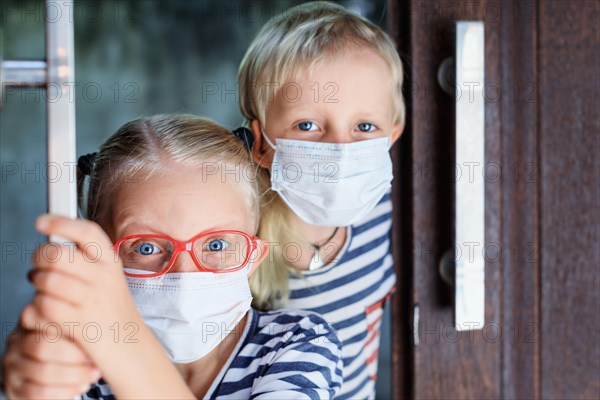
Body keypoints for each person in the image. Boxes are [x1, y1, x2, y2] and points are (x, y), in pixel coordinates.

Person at [2, 115, 343, 399]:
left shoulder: (298, 346)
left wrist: (125, 349)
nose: (184, 273)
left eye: (216, 245)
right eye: (147, 247)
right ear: (97, 258)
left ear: (254, 256)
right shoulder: (78, 370)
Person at [236, 2, 405, 398]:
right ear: (261, 143)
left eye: (365, 126)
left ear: (391, 137)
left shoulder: (379, 211)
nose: (341, 149)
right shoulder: (239, 243)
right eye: (307, 125)